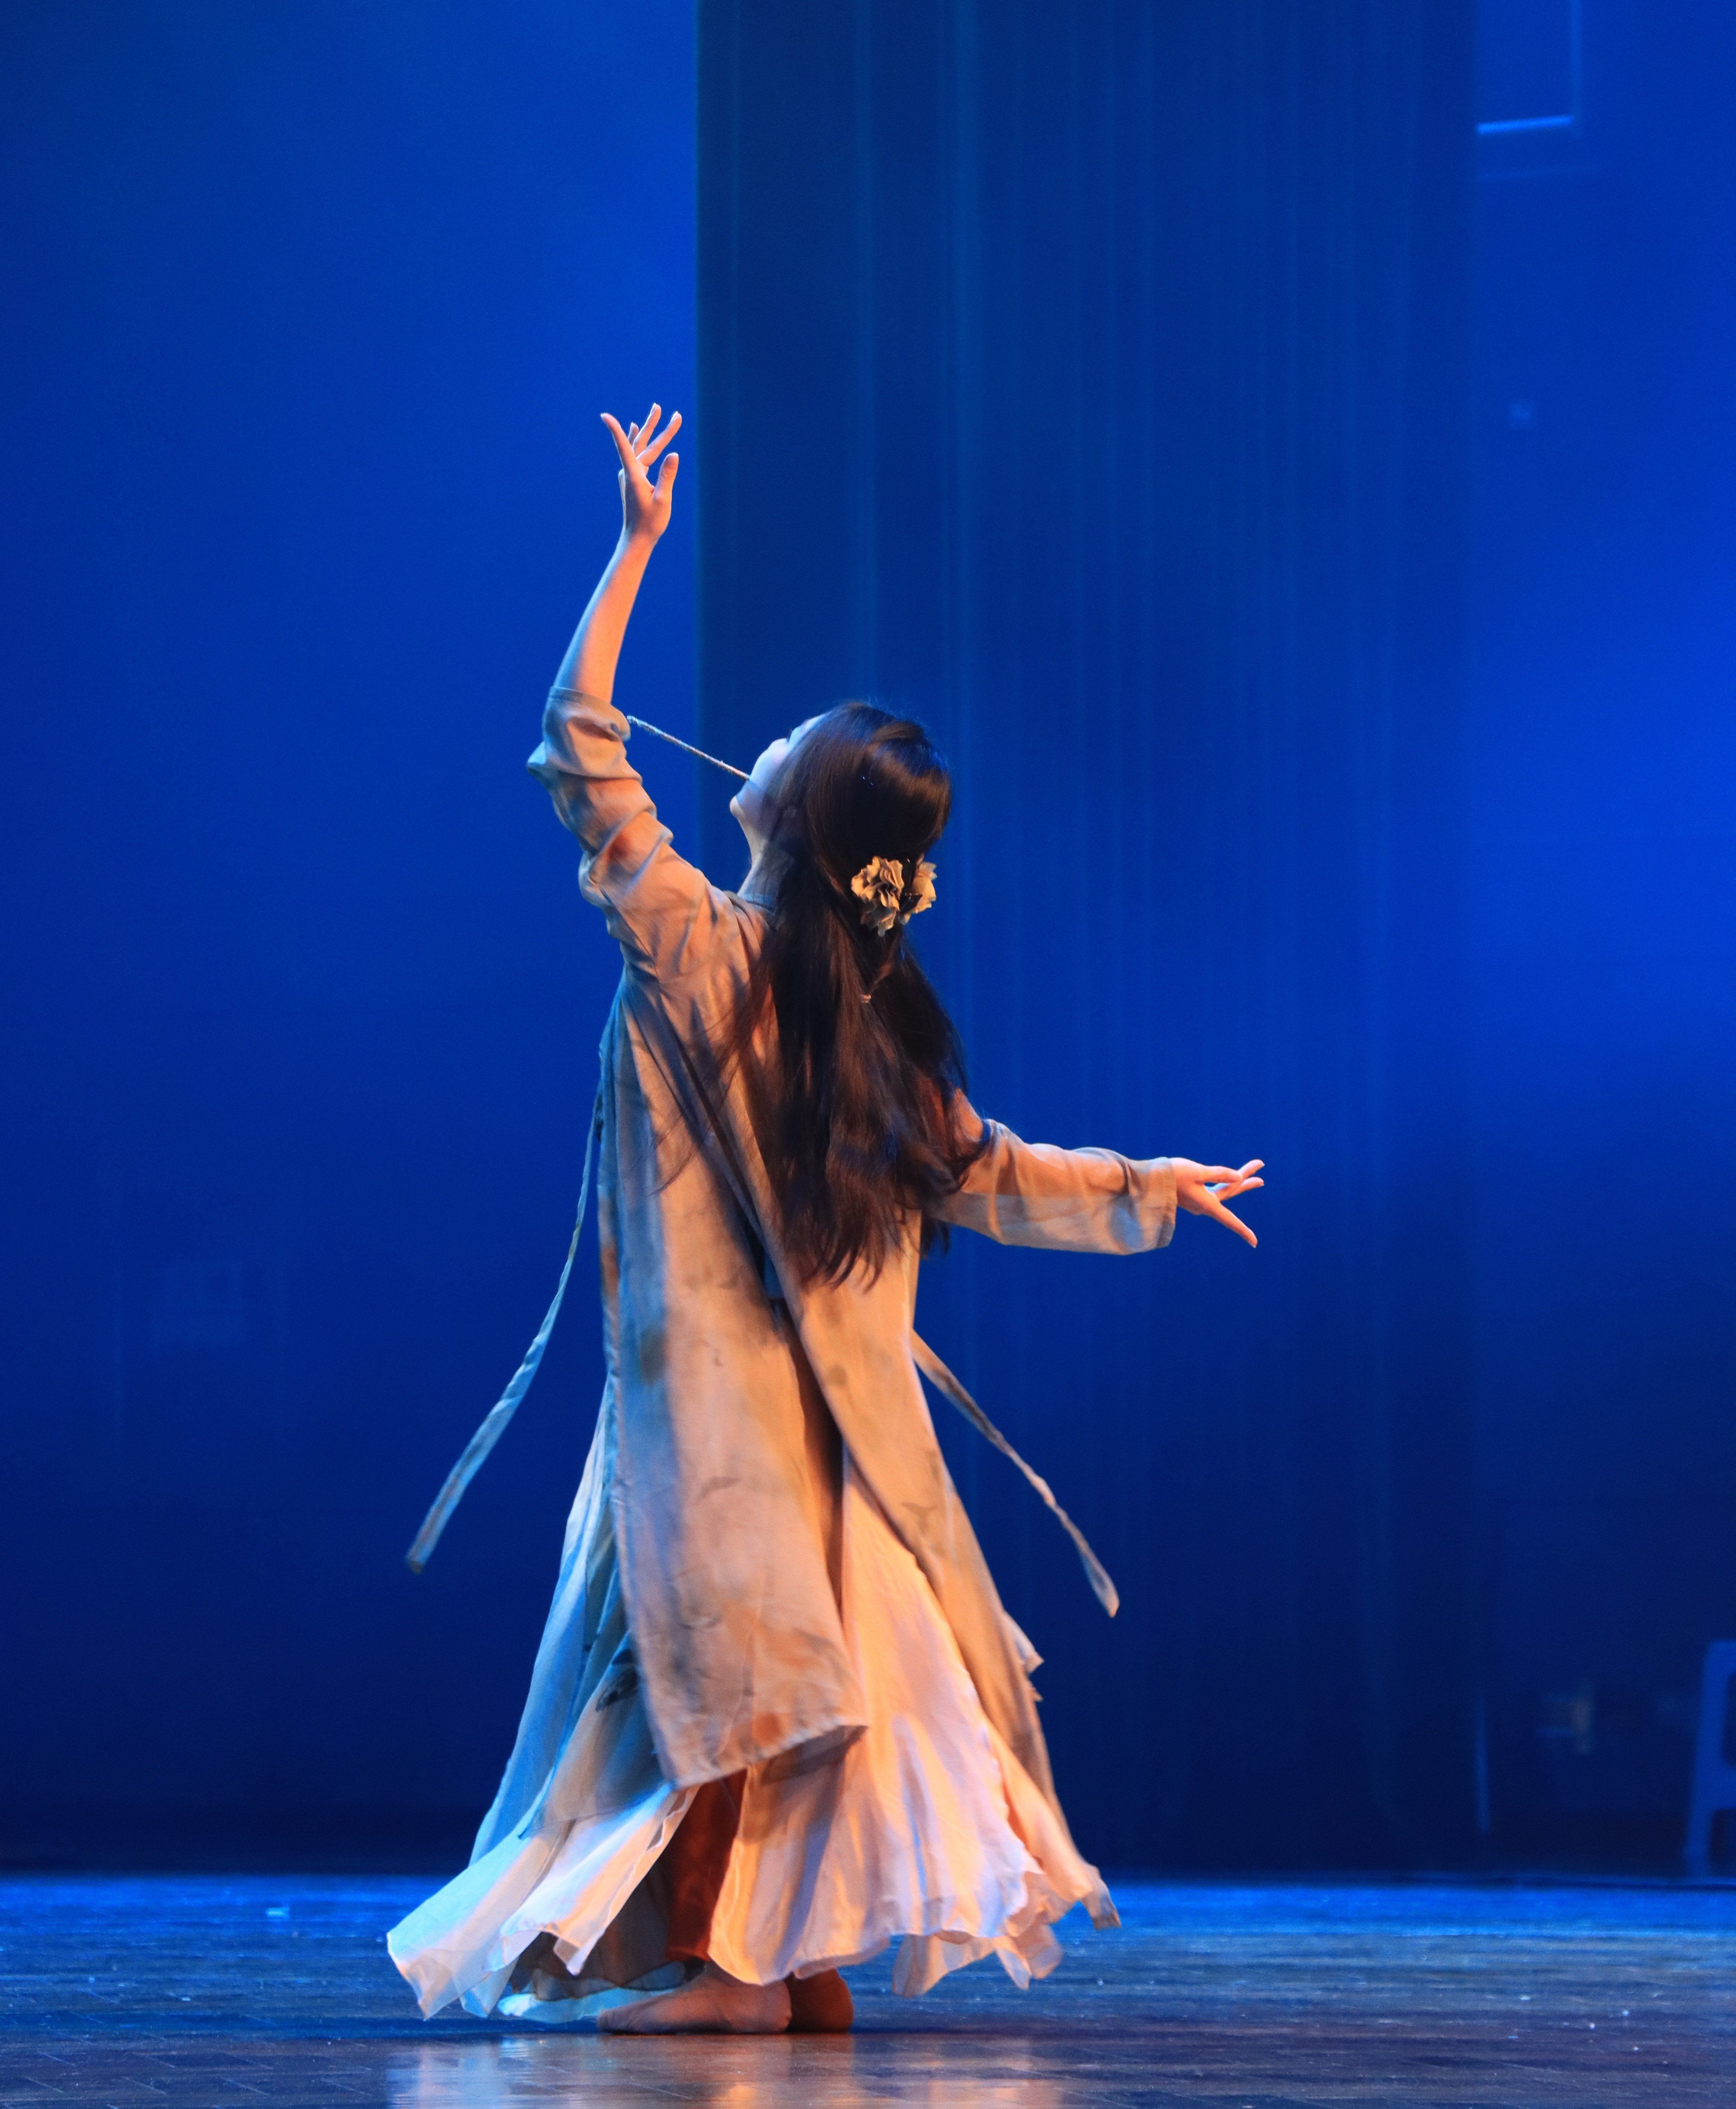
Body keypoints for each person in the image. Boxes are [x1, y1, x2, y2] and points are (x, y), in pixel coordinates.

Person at [387, 403, 1263, 2034]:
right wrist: (1152, 1188)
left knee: (711, 1676)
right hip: (824, 1447)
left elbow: (579, 744)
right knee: (774, 1675)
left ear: (795, 813)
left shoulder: (706, 955)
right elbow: (996, 1170)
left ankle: (730, 1977)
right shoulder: (863, 1027)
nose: (767, 739)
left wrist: (634, 550)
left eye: (789, 742)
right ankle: (785, 1969)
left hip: (731, 1434)